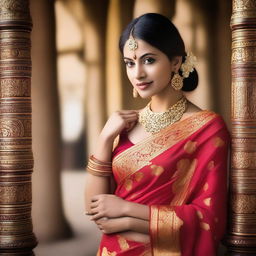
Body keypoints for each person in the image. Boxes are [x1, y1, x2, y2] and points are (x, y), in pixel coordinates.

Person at [85, 13, 229, 256]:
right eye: (130, 63)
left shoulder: (208, 129)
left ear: (175, 62)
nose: (137, 73)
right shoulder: (124, 126)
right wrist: (104, 139)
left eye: (148, 60)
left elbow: (209, 218)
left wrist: (128, 217)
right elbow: (95, 208)